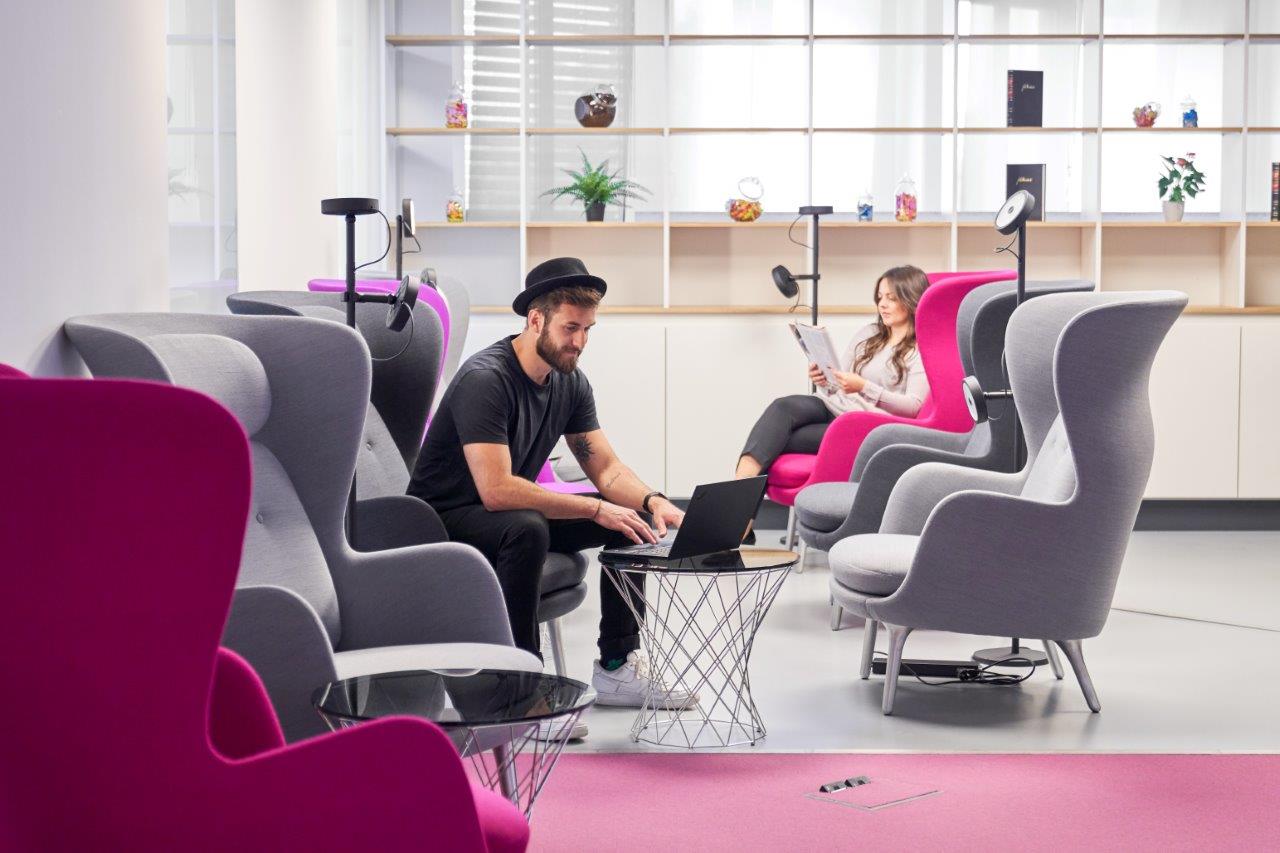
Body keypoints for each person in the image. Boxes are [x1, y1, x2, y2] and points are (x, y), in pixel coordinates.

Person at [408, 256, 695, 716]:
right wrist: (594, 509)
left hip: (499, 513)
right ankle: (519, 691)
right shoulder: (488, 379)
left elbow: (606, 470)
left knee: (631, 525)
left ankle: (617, 668)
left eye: (587, 330)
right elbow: (496, 490)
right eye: (570, 328)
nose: (579, 342)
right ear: (536, 319)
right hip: (441, 519)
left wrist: (652, 501)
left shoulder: (569, 383)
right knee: (528, 527)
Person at [734, 265, 931, 484]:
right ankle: (737, 498)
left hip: (867, 423)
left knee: (773, 438)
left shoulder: (920, 349)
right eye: (880, 297)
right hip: (836, 405)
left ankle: (739, 510)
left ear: (911, 300)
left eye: (891, 298)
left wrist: (863, 386)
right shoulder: (870, 333)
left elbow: (913, 407)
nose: (882, 304)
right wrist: (825, 379)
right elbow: (840, 379)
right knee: (782, 407)